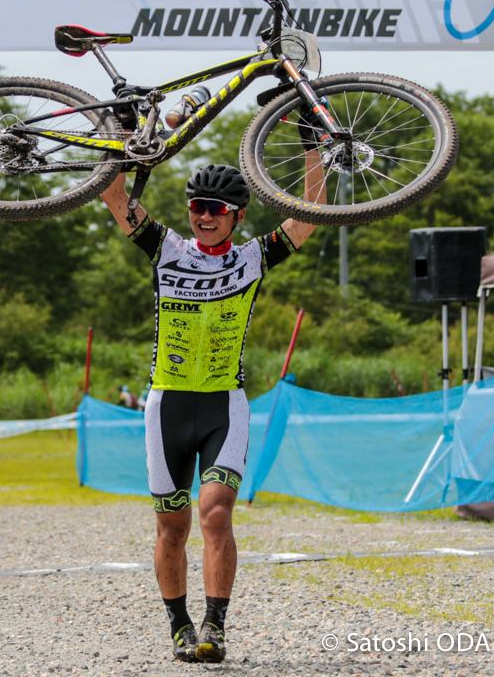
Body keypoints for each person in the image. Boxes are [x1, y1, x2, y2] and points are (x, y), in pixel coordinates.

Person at [99, 156, 325, 664]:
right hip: (167, 406)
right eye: (197, 206)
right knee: (172, 528)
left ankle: (214, 625)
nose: (204, 216)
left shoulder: (253, 257)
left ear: (237, 215)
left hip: (225, 403)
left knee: (216, 515)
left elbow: (312, 210)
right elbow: (114, 196)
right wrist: (119, 142)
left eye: (216, 209)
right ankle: (179, 625)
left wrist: (312, 142)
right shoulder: (164, 247)